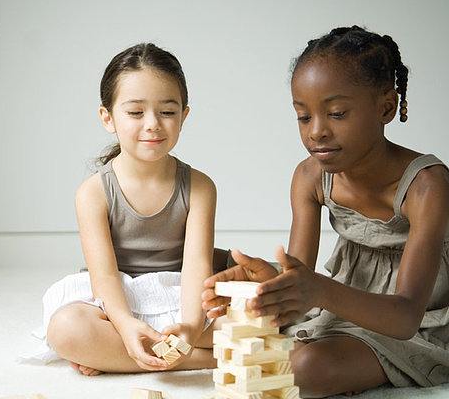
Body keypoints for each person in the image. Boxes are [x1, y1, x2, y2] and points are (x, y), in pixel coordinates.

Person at [201, 26, 449, 398]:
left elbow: (405, 317)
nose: (316, 132)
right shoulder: (309, 177)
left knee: (303, 367)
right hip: (339, 309)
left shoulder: (426, 186)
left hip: (419, 323)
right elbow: (297, 274)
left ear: (386, 107)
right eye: (303, 117)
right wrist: (269, 283)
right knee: (225, 332)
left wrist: (317, 289)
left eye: (336, 113)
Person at [45, 43, 219, 376]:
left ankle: (118, 358)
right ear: (108, 118)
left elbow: (197, 263)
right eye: (136, 112)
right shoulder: (93, 192)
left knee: (259, 312)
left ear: (183, 116)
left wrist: (193, 327)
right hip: (118, 299)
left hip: (181, 293)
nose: (152, 124)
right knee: (67, 328)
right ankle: (204, 359)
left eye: (167, 112)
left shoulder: (200, 186)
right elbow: (104, 276)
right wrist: (124, 326)